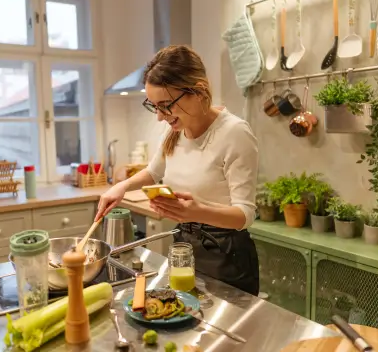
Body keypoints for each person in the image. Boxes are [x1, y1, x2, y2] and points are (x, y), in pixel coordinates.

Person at [95, 45, 260, 295]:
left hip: (226, 256)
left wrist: (197, 212)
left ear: (199, 91)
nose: (160, 117)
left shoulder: (235, 133)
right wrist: (122, 187)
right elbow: (153, 171)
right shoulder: (175, 130)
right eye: (154, 106)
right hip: (184, 246)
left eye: (166, 105)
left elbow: (244, 215)